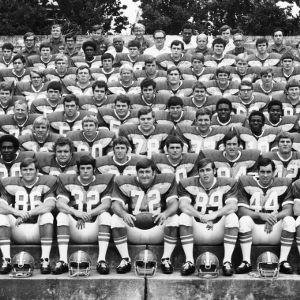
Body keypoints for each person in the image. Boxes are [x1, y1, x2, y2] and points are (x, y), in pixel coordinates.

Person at [111, 157, 179, 274]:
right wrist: (124, 214)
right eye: (141, 172)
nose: (144, 175)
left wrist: (165, 213)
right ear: (136, 173)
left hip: (158, 229)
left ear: (154, 173)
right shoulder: (123, 182)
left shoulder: (167, 180)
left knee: (174, 217)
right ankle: (125, 259)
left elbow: (174, 203)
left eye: (147, 172)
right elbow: (115, 205)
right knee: (115, 217)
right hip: (134, 228)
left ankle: (166, 259)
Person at [53, 155, 115, 275]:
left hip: (94, 227)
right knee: (61, 215)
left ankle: (101, 260)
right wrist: (76, 212)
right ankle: (63, 260)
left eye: (88, 168)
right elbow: (60, 203)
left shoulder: (104, 181)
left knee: (106, 215)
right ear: (78, 169)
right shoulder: (68, 181)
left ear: (94, 169)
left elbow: (106, 204)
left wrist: (87, 214)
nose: (85, 171)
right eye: (82, 168)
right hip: (75, 227)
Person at [178, 158, 239, 276]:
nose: (205, 173)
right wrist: (200, 215)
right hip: (197, 229)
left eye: (208, 170)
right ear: (198, 172)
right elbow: (183, 205)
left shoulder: (228, 183)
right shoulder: (187, 184)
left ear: (214, 171)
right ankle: (189, 261)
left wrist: (215, 214)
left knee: (232, 217)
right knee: (184, 216)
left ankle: (227, 261)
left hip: (219, 228)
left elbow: (233, 206)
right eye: (202, 171)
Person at [236, 157, 295, 275]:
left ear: (274, 172)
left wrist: (273, 218)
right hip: (255, 230)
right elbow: (241, 210)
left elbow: (288, 210)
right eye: (262, 172)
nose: (265, 175)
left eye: (268, 172)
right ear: (257, 172)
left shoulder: (285, 183)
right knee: (244, 220)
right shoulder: (245, 181)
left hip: (275, 230)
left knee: (289, 220)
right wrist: (261, 215)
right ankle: (246, 261)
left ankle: (283, 261)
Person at [0, 157, 57, 274]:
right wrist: (17, 212)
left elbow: (50, 205)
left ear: (37, 171)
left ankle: (45, 260)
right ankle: (6, 259)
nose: (28, 172)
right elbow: (1, 205)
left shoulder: (46, 183)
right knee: (1, 216)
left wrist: (27, 214)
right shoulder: (12, 185)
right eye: (25, 169)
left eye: (31, 169)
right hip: (18, 228)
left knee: (47, 215)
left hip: (38, 229)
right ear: (20, 171)